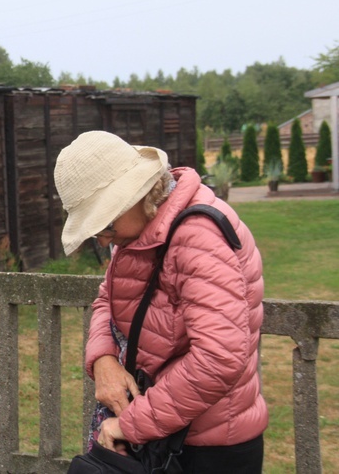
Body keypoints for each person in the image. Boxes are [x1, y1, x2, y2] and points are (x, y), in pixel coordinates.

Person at [54, 131, 268, 473]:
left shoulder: (198, 236)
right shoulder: (144, 230)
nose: (102, 237)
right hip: (167, 433)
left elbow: (219, 358)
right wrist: (104, 359)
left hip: (205, 448)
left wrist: (130, 424)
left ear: (137, 194)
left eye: (104, 222)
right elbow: (107, 296)